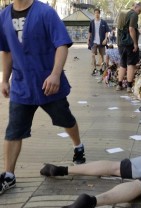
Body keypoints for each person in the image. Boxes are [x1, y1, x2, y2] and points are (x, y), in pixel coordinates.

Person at [0, 0, 86, 195]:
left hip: (48, 84)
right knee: (13, 130)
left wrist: (55, 74)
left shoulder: (45, 13)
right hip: (22, 86)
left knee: (65, 119)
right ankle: (9, 175)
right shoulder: (4, 17)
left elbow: (62, 45)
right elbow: (6, 50)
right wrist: (4, 79)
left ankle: (78, 146)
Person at [115, 1, 141, 93]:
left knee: (122, 64)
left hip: (120, 43)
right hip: (129, 43)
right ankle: (129, 86)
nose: (140, 12)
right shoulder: (134, 15)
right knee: (131, 64)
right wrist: (135, 43)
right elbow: (131, 29)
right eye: (139, 10)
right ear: (135, 7)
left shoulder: (123, 13)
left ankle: (119, 85)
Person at [87, 8, 110, 75]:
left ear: (99, 14)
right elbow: (89, 32)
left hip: (102, 41)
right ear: (94, 14)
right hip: (93, 41)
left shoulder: (103, 22)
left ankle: (101, 69)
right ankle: (94, 69)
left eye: (98, 13)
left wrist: (106, 39)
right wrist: (88, 39)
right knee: (93, 55)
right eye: (95, 13)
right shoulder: (91, 22)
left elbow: (107, 31)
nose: (96, 14)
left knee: (102, 56)